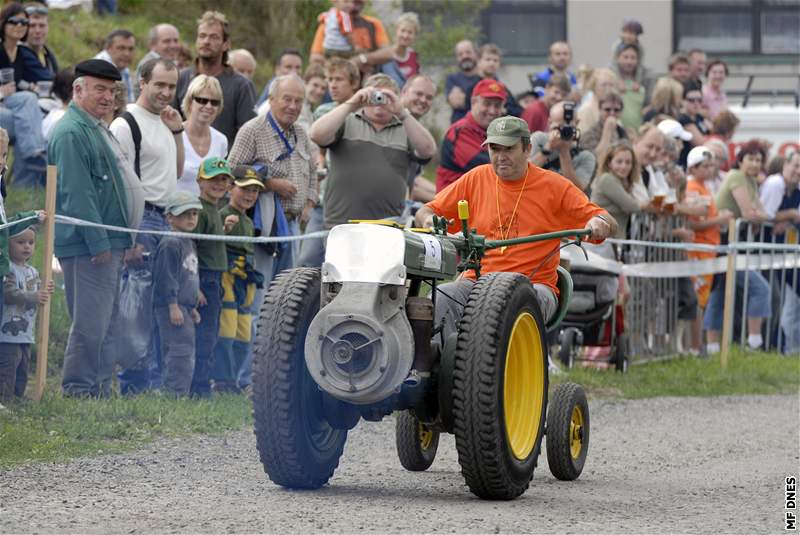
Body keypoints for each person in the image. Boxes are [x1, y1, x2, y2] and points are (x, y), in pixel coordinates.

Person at [415, 115, 615, 336]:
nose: (500, 157)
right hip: (477, 281)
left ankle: (504, 364)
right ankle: (435, 364)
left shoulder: (554, 186)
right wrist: (428, 221)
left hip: (533, 285)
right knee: (441, 297)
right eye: (494, 149)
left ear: (527, 149)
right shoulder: (476, 178)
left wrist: (599, 222)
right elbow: (427, 211)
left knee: (515, 303)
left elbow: (604, 218)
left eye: (508, 149)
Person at [49, 59, 137, 397]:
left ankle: (99, 388)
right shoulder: (72, 131)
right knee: (90, 323)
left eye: (112, 91)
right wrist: (99, 242)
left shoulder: (94, 126)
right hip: (88, 246)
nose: (107, 97)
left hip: (107, 243)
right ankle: (78, 389)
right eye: (99, 89)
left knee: (106, 322)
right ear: (78, 90)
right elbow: (77, 194)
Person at [110, 57, 184, 393]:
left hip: (167, 219)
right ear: (142, 82)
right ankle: (131, 382)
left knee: (158, 304)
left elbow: (177, 171)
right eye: (160, 85)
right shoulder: (126, 124)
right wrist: (129, 237)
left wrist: (179, 131)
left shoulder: (164, 122)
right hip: (141, 218)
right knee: (134, 304)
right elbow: (118, 183)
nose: (166, 92)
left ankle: (154, 378)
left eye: (172, 86)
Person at [310, 72, 436, 226]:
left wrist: (402, 112)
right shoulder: (347, 121)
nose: (379, 101)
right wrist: (352, 103)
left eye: (386, 96)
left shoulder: (406, 128)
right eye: (374, 95)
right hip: (341, 224)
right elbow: (316, 134)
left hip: (388, 227)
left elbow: (428, 150)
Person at [705, 140, 772, 352]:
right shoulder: (736, 176)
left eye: (759, 160)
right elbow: (748, 213)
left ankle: (713, 348)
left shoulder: (751, 182)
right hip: (722, 242)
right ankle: (754, 343)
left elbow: (763, 214)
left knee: (720, 293)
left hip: (734, 242)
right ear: (741, 160)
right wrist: (756, 215)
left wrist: (756, 215)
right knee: (759, 288)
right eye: (750, 159)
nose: (755, 164)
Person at [212, 165, 264, 393]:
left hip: (246, 282)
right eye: (244, 189)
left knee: (244, 331)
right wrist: (224, 229)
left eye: (254, 190)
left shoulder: (249, 222)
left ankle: (235, 379)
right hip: (227, 278)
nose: (249, 195)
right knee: (227, 328)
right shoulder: (222, 215)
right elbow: (212, 246)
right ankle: (222, 380)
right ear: (231, 188)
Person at [174, 11, 256, 147]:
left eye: (214, 37)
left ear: (226, 44)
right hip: (183, 161)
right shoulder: (180, 78)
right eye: (202, 36)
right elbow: (170, 124)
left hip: (224, 163)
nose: (206, 41)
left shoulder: (241, 85)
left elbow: (248, 134)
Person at [190, 156, 233, 398]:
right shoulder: (201, 212)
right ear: (200, 181)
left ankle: (202, 384)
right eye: (212, 180)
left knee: (211, 333)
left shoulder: (214, 211)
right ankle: (199, 388)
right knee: (204, 336)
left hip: (216, 280)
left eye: (224, 180)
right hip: (204, 279)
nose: (218, 184)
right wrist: (195, 286)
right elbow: (193, 249)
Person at [684, 146, 733, 353]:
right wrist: (720, 219)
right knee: (697, 300)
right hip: (698, 250)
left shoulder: (704, 187)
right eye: (704, 166)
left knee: (702, 301)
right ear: (693, 168)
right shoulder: (693, 187)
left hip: (708, 250)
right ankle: (695, 346)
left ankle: (698, 344)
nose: (710, 169)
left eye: (711, 165)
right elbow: (694, 223)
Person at [152, 190, 201, 397]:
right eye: (184, 214)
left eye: (194, 214)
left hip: (185, 307)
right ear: (169, 217)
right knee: (178, 352)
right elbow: (166, 277)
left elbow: (188, 273)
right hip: (172, 307)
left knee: (186, 350)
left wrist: (193, 305)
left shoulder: (188, 240)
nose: (190, 218)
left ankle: (179, 392)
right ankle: (173, 394)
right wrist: (173, 305)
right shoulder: (171, 242)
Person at [0, 224, 52, 401]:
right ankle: (3, 400)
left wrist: (46, 289)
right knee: (8, 368)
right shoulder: (7, 269)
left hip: (26, 332)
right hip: (7, 335)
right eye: (20, 242)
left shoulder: (33, 271)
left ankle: (17, 398)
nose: (27, 246)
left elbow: (37, 292)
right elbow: (9, 294)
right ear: (7, 244)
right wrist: (34, 296)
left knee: (23, 368)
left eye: (31, 242)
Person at [760, 152, 800, 353]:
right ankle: (767, 345)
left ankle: (780, 345)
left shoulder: (796, 189)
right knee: (772, 298)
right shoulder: (775, 184)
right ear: (786, 164)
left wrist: (786, 219)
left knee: (781, 298)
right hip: (763, 250)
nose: (798, 171)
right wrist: (790, 215)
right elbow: (766, 215)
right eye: (795, 166)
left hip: (783, 252)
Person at [435, 78, 506, 192]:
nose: (492, 111)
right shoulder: (461, 131)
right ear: (473, 102)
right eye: (487, 104)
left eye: (497, 106)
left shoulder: (494, 132)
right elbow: (500, 169)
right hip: (455, 206)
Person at [309, 0, 392, 76]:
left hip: (366, 75)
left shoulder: (373, 23)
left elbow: (388, 53)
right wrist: (346, 65)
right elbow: (315, 58)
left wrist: (362, 59)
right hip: (337, 77)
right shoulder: (330, 25)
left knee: (388, 66)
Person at [178, 74, 228, 196]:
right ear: (190, 102)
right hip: (175, 211)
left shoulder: (221, 140)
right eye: (202, 100)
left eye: (214, 102)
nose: (209, 106)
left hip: (206, 212)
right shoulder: (174, 134)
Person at [529, 101, 596, 191]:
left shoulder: (586, 156)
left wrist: (564, 152)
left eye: (569, 128)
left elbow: (577, 191)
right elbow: (524, 172)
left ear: (577, 123)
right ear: (550, 123)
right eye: (559, 127)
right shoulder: (539, 139)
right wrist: (548, 148)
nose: (564, 132)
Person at [590, 142, 649, 238]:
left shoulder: (622, 181)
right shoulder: (607, 179)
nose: (624, 166)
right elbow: (632, 206)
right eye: (619, 161)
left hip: (611, 241)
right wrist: (649, 206)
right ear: (609, 163)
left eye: (628, 162)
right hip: (601, 242)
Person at [400, 73, 436, 202]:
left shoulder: (416, 128)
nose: (423, 100)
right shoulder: (392, 122)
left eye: (429, 97)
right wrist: (444, 200)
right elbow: (412, 190)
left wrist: (443, 193)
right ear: (404, 91)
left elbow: (414, 179)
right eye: (418, 94)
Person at [580, 89, 633, 158]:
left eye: (616, 110)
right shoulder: (589, 134)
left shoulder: (623, 133)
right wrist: (607, 132)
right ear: (600, 109)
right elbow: (594, 159)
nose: (612, 113)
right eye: (607, 109)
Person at [133, 23, 180, 99]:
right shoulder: (149, 64)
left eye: (176, 40)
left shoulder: (170, 62)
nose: (173, 45)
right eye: (167, 41)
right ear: (152, 44)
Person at [611, 43, 647, 131]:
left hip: (638, 132)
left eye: (633, 58)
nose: (629, 61)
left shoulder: (644, 83)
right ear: (618, 58)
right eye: (625, 57)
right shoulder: (610, 82)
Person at [379, 12, 420, 89]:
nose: (405, 35)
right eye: (403, 31)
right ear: (396, 31)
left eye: (410, 32)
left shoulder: (414, 56)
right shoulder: (384, 56)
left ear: (415, 36)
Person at [677, 80, 712, 167]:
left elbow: (715, 131)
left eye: (699, 100)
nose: (696, 103)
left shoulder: (699, 117)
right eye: (691, 100)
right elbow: (702, 143)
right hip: (687, 165)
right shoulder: (683, 119)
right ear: (682, 101)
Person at [445, 39, 480, 124]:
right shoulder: (452, 79)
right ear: (457, 58)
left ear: (476, 54)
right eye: (460, 54)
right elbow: (456, 103)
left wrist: (465, 97)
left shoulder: (486, 77)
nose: (464, 56)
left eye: (468, 52)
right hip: (459, 128)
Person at [95, 29, 135, 102]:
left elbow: (130, 102)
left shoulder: (124, 70)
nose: (127, 54)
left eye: (130, 49)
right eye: (121, 48)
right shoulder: (99, 67)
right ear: (108, 48)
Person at [576, 67, 619, 132]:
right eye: (604, 85)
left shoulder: (614, 109)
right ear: (594, 87)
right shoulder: (586, 110)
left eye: (611, 85)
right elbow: (582, 138)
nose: (608, 89)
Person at [23, 2, 58, 79]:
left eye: (42, 25)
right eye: (32, 26)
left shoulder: (48, 54)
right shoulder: (17, 54)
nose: (37, 31)